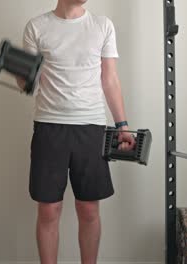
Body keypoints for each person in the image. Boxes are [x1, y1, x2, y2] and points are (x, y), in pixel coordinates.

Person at [18, 0, 135, 263]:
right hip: (49, 126)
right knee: (49, 209)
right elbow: (27, 84)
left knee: (89, 209)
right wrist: (19, 68)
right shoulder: (36, 27)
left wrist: (122, 125)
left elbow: (110, 79)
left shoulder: (102, 25)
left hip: (91, 128)